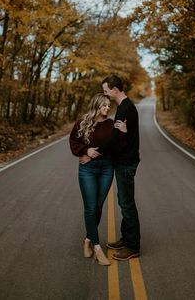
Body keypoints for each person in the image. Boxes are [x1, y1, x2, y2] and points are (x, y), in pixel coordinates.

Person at [69, 92, 127, 266]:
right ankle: (97, 247)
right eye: (104, 105)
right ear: (96, 105)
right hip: (87, 169)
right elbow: (73, 142)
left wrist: (123, 133)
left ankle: (87, 239)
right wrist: (86, 151)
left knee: (99, 206)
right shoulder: (82, 122)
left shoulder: (111, 125)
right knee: (90, 207)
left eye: (109, 106)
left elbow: (119, 147)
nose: (107, 108)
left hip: (106, 168)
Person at [101, 74, 141, 261]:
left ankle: (132, 246)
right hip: (124, 161)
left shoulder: (126, 109)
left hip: (126, 162)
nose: (105, 93)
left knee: (127, 203)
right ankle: (127, 239)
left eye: (106, 90)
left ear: (115, 89)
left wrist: (96, 151)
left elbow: (120, 139)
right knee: (123, 201)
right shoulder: (124, 107)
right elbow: (122, 136)